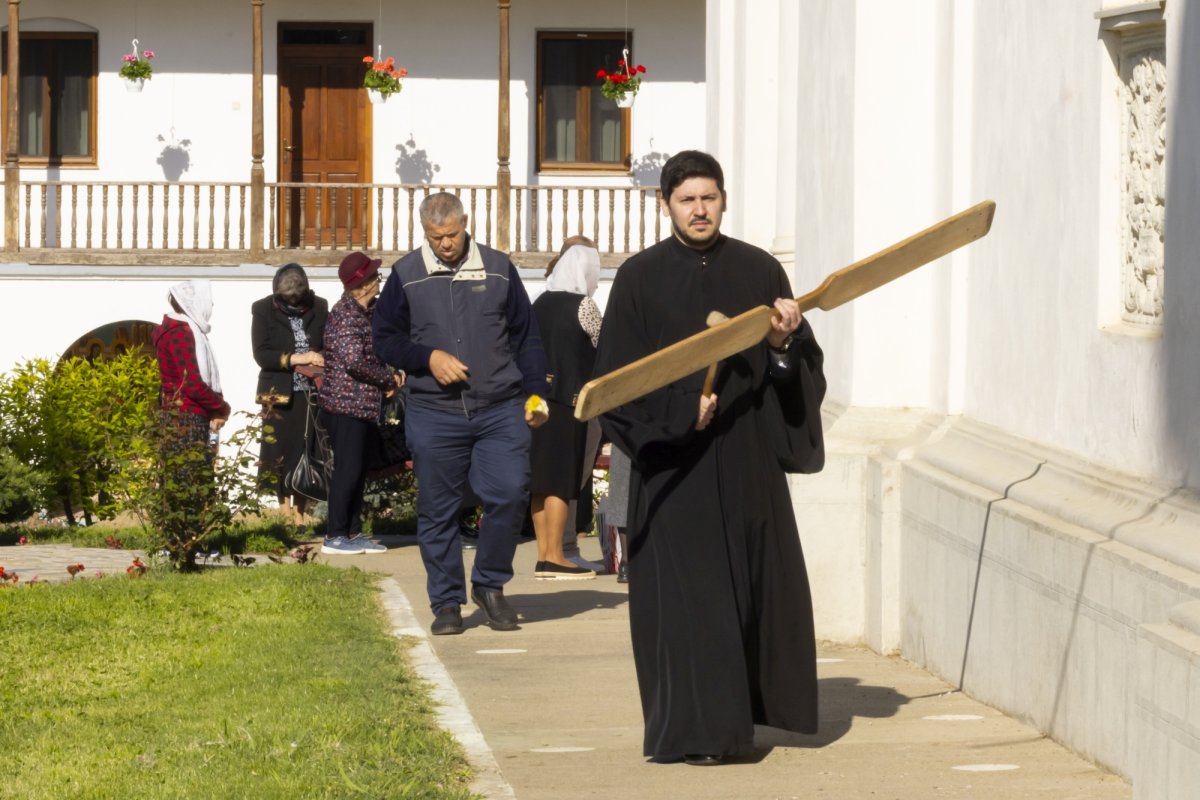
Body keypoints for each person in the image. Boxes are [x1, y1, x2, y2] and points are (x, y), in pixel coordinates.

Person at [592, 150, 827, 765]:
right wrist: (677, 416)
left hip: (747, 457)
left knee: (749, 595)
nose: (700, 210)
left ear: (724, 199)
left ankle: (742, 723)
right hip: (675, 470)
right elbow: (614, 385)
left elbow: (796, 368)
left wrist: (784, 345)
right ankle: (699, 734)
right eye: (687, 199)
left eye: (709, 198)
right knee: (691, 606)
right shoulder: (639, 279)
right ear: (667, 204)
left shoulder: (759, 268)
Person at [372, 191, 549, 635]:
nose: (445, 244)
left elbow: (526, 336)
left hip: (501, 407)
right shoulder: (406, 275)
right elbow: (385, 340)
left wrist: (535, 393)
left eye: (451, 234)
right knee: (438, 510)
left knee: (509, 493)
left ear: (466, 223)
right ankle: (446, 603)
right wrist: (426, 358)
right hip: (434, 411)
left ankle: (490, 586)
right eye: (436, 237)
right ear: (424, 232)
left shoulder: (500, 268)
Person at [528, 237, 604, 579]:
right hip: (570, 400)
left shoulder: (540, 301)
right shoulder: (584, 305)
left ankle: (544, 553)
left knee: (541, 480)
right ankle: (557, 555)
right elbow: (604, 348)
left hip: (538, 400)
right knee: (561, 480)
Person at [317, 251, 401, 556]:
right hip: (345, 406)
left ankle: (352, 532)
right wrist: (386, 379)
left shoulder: (364, 312)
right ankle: (335, 534)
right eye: (374, 276)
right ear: (363, 284)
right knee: (347, 471)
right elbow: (354, 362)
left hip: (361, 406)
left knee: (357, 470)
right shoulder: (346, 315)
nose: (379, 281)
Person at [250, 264, 328, 526]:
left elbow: (327, 343)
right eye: (288, 297)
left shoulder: (320, 306)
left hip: (310, 392)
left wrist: (320, 358)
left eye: (297, 297)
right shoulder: (262, 309)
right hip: (278, 393)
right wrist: (297, 358)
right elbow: (262, 354)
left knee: (305, 449)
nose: (293, 301)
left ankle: (300, 512)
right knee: (278, 451)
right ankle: (283, 511)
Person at [153, 279, 230, 444]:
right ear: (196, 303)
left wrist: (216, 409)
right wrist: (222, 407)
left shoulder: (189, 331)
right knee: (188, 468)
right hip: (185, 418)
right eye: (208, 300)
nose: (211, 305)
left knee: (197, 467)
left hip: (192, 415)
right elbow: (192, 384)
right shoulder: (180, 333)